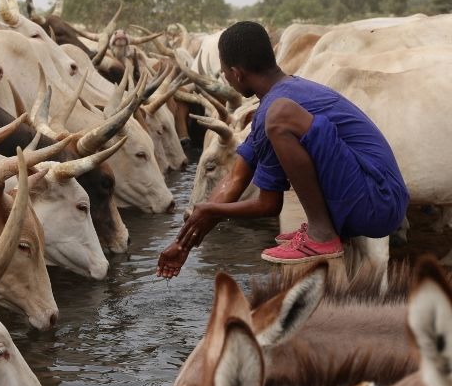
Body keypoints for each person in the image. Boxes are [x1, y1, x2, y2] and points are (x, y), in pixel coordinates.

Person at [157, 21, 409, 278]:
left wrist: (212, 210)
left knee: (279, 114)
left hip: (379, 201)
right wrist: (183, 244)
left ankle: (321, 234)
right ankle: (322, 229)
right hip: (378, 198)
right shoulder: (280, 98)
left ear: (237, 73)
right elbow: (234, 178)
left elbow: (268, 205)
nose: (226, 78)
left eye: (224, 72)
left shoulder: (277, 110)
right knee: (276, 114)